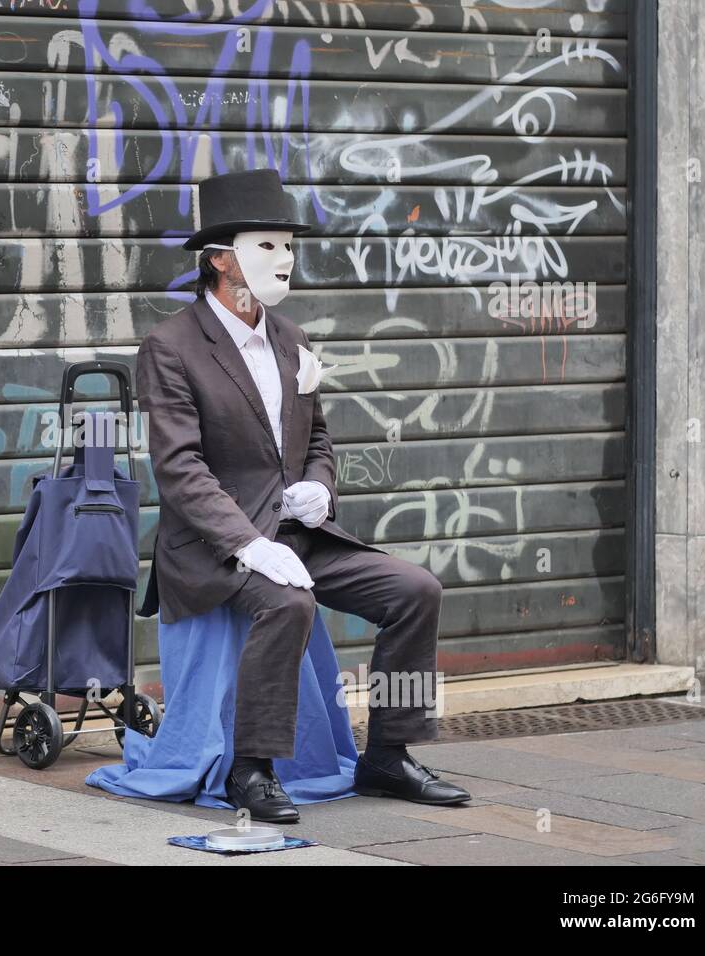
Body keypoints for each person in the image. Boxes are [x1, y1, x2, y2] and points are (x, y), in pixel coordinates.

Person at [135, 168, 470, 823]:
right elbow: (179, 470)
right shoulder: (170, 348)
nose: (285, 258)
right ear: (220, 259)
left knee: (416, 592)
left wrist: (320, 484)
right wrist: (249, 544)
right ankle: (250, 771)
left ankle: (389, 756)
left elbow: (317, 435)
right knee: (287, 606)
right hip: (214, 547)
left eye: (289, 244)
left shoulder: (293, 339)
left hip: (296, 534)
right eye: (268, 245)